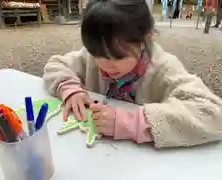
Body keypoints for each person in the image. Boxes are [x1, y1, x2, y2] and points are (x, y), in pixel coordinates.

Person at [43, 0, 222, 148]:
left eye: (118, 56)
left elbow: (213, 114)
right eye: (97, 54)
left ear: (146, 38)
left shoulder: (163, 67)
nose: (105, 64)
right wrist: (70, 89)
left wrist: (131, 122)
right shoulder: (92, 57)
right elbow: (56, 65)